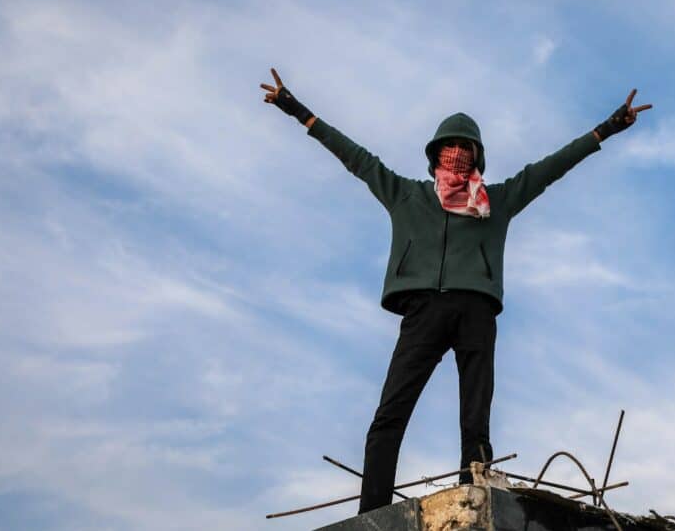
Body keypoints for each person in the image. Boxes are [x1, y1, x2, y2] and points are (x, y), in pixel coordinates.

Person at [260, 67, 652, 513]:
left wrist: (608, 128)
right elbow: (355, 157)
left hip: (476, 311)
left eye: (465, 149)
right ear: (434, 155)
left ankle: (475, 501)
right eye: (449, 148)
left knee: (476, 423)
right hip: (423, 309)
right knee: (389, 417)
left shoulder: (496, 202)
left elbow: (549, 169)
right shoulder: (407, 196)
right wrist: (296, 109)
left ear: (477, 157)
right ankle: (370, 516)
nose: (456, 156)